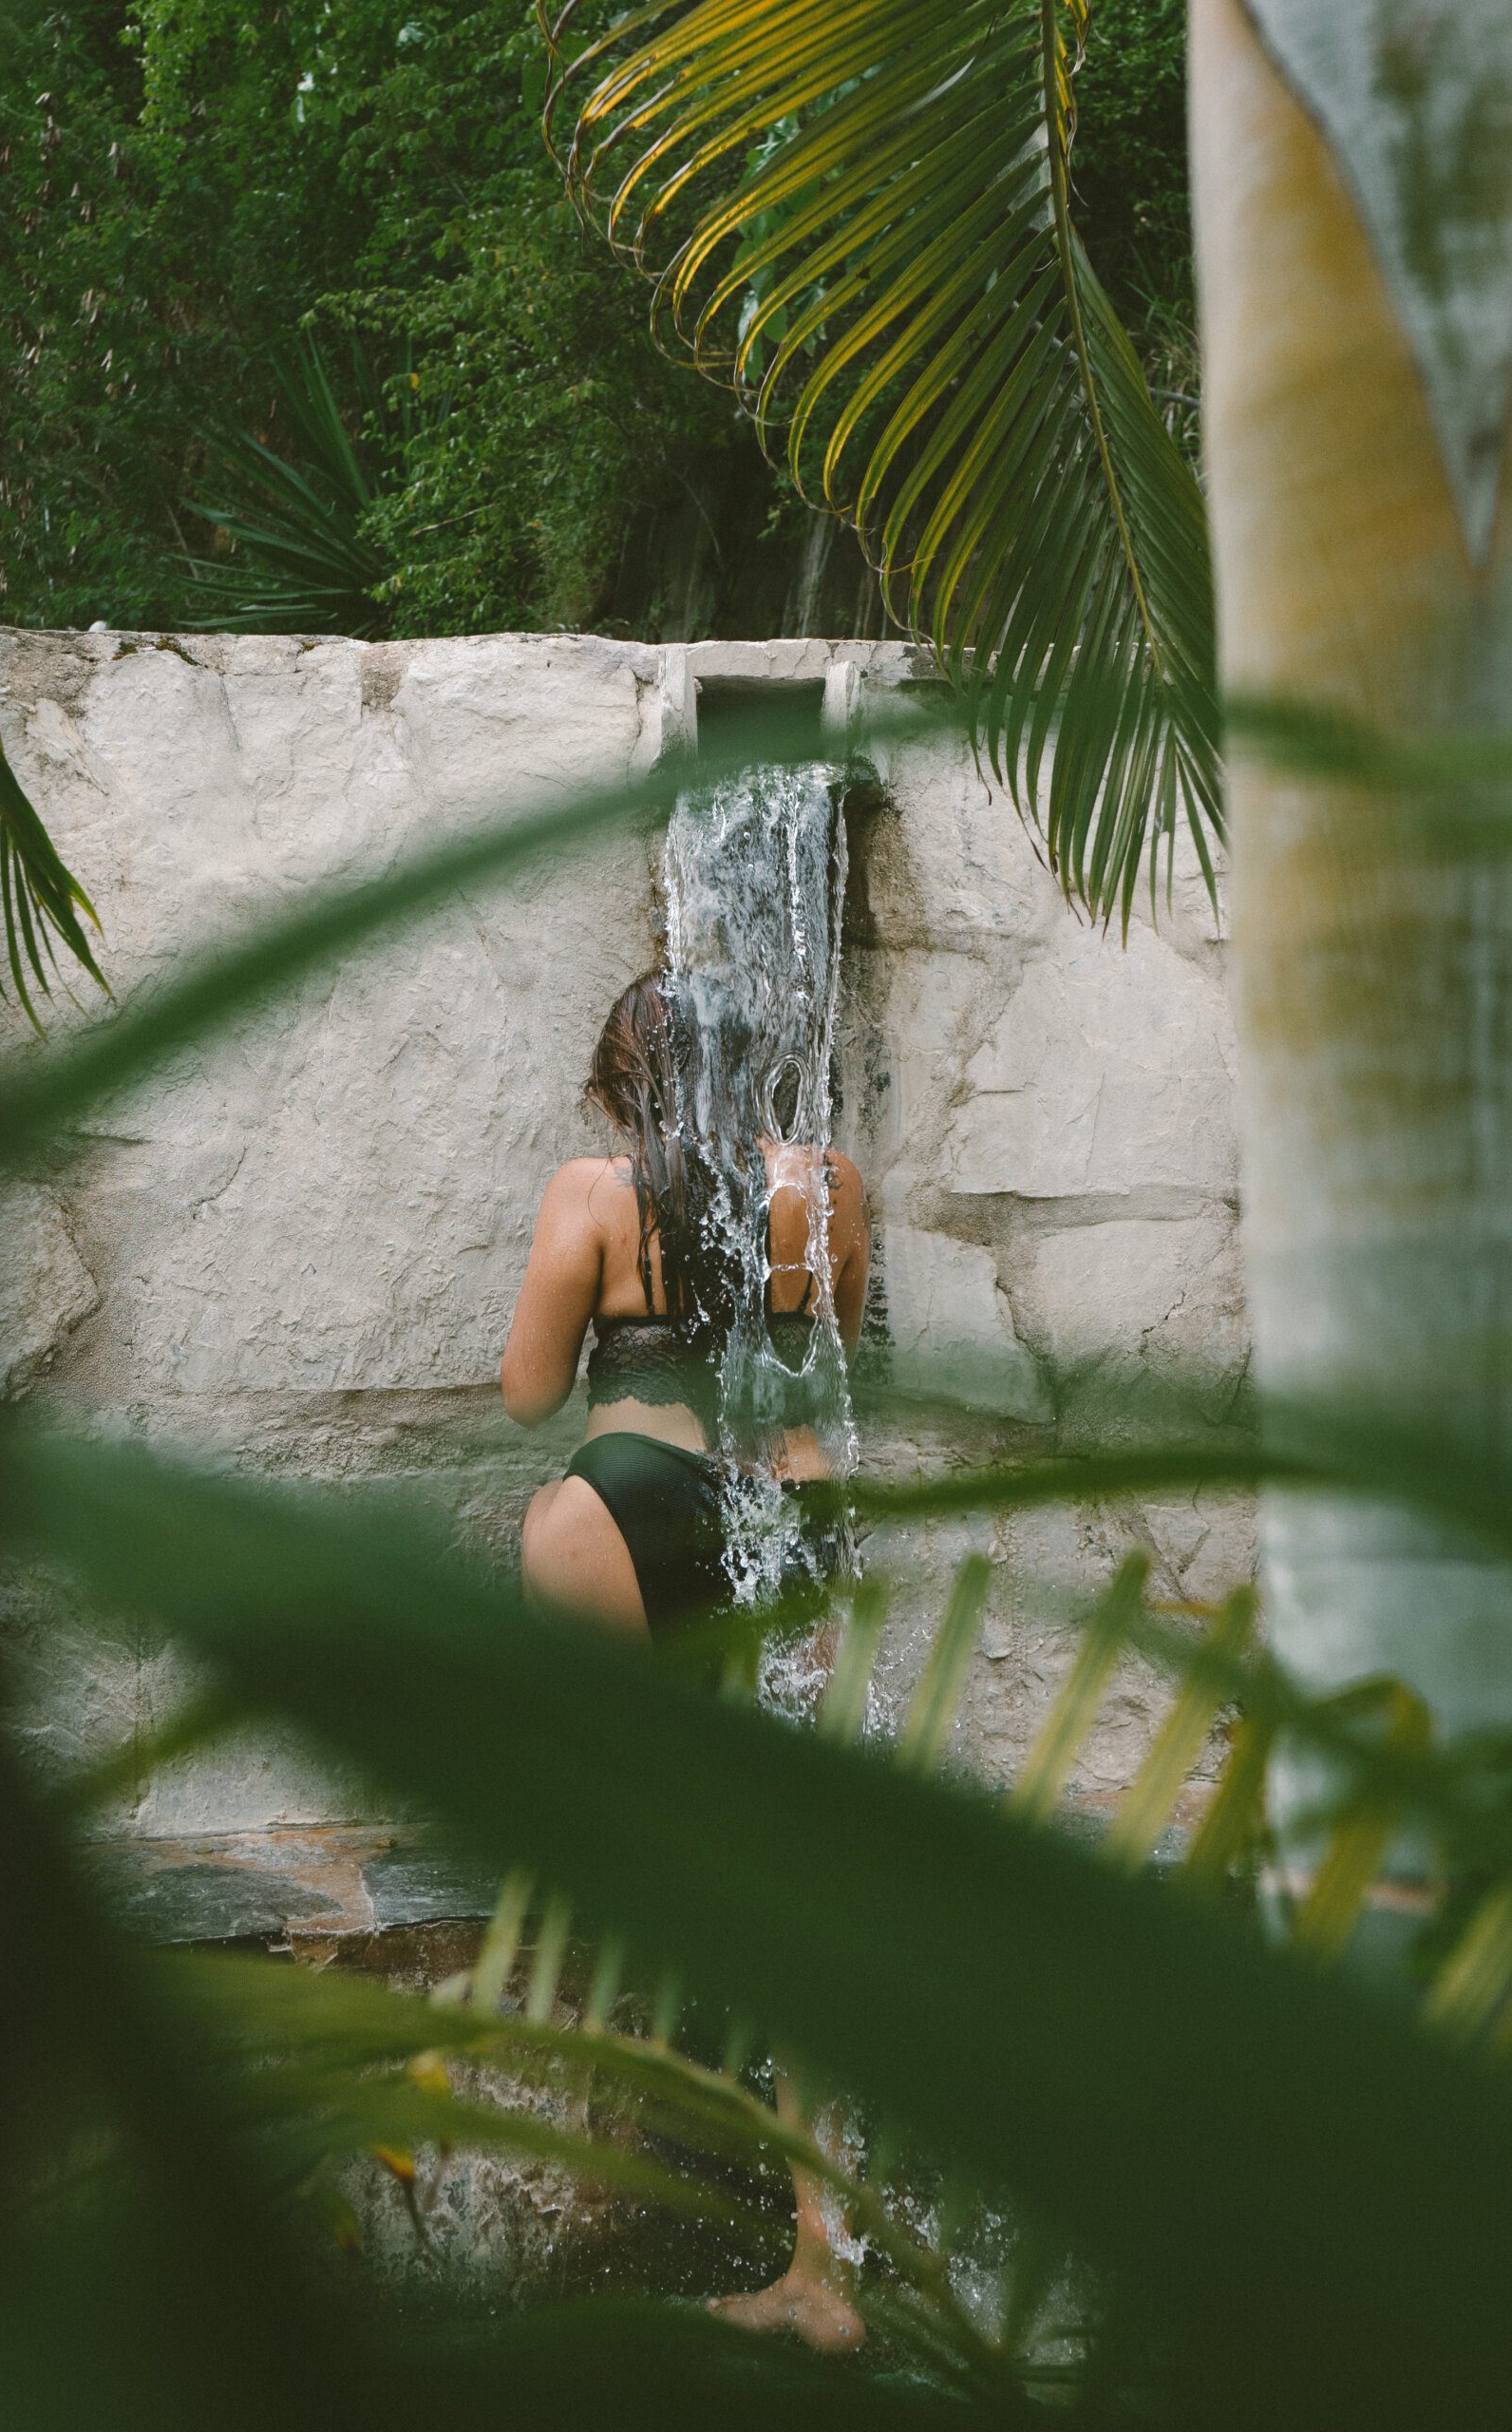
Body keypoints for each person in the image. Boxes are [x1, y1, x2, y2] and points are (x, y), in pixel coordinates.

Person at [501, 967, 871, 2352]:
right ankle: (820, 2271)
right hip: (791, 1510)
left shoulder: (594, 1189)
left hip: (628, 1512)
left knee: (547, 1536)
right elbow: (834, 1360)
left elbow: (532, 1392)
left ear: (620, 1078)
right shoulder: (825, 1184)